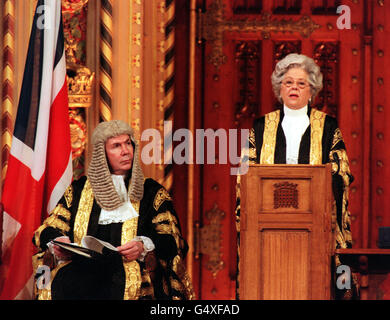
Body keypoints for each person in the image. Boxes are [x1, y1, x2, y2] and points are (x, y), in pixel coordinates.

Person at [236, 53, 357, 299]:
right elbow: (245, 173)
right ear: (279, 88)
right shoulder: (260, 126)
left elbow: (342, 170)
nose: (294, 88)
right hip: (267, 227)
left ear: (312, 91)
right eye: (288, 82)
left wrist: (320, 180)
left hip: (317, 227)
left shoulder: (328, 126)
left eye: (301, 83)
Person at [32, 120, 194, 300]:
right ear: (102, 153)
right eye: (117, 146)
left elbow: (173, 239)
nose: (126, 151)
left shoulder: (152, 192)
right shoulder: (78, 190)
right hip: (79, 276)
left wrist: (144, 245)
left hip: (132, 278)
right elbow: (47, 229)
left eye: (128, 143)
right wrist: (58, 241)